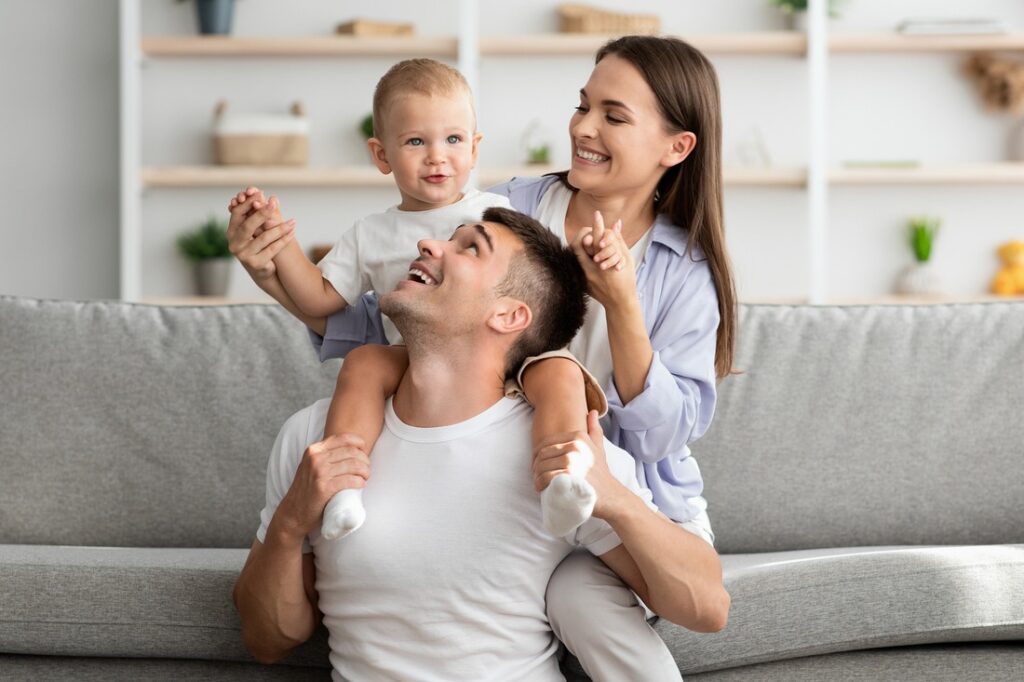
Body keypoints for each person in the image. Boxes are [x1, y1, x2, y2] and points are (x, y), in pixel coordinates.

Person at [234, 35, 737, 680]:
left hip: (617, 485)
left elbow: (666, 435)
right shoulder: (501, 210)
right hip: (510, 440)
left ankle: (566, 482)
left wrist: (624, 310)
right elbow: (409, 308)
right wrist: (279, 274)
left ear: (677, 147)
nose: (582, 127)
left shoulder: (683, 268)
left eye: (613, 116)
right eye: (582, 106)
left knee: (578, 592)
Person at [227, 57, 601, 542]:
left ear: (474, 147)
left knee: (561, 370)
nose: (437, 157)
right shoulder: (371, 233)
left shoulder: (495, 214)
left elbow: (541, 280)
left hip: (503, 355)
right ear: (381, 155)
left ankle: (563, 478)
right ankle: (344, 489)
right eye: (415, 142)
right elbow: (320, 298)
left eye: (453, 140)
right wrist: (280, 248)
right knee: (363, 361)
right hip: (416, 361)